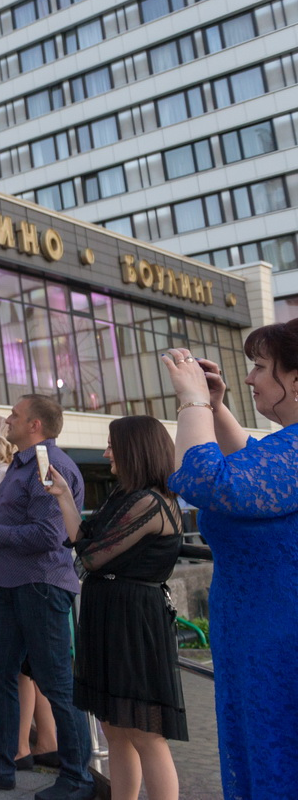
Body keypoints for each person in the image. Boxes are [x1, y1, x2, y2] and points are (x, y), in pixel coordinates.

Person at [163, 324, 298, 800]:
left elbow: (202, 478)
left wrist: (193, 403)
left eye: (261, 367)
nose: (250, 378)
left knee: (277, 763)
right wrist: (217, 408)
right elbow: (253, 463)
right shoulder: (286, 450)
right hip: (259, 643)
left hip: (279, 650)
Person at [0, 395, 93, 800]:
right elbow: (22, 521)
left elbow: (51, 535)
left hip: (41, 586)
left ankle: (78, 778)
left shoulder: (51, 466)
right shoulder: (20, 464)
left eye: (15, 415)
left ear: (35, 426)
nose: (7, 420)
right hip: (14, 583)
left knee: (56, 683)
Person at [47, 416, 185, 800]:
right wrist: (61, 495)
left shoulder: (148, 501)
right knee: (115, 726)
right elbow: (82, 540)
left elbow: (90, 556)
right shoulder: (127, 494)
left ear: (134, 450)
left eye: (112, 444)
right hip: (112, 612)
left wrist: (84, 546)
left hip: (132, 618)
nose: (107, 451)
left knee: (144, 732)